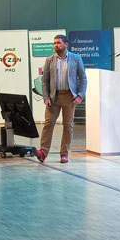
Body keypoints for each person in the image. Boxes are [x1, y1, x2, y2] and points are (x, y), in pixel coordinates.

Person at [37, 34, 86, 164]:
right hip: (54, 97)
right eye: (54, 43)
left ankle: (64, 153)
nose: (56, 45)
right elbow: (45, 80)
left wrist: (80, 95)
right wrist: (46, 97)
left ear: (66, 44)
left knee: (67, 125)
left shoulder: (76, 58)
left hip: (69, 97)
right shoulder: (50, 60)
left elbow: (83, 78)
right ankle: (43, 152)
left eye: (58, 43)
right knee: (48, 124)